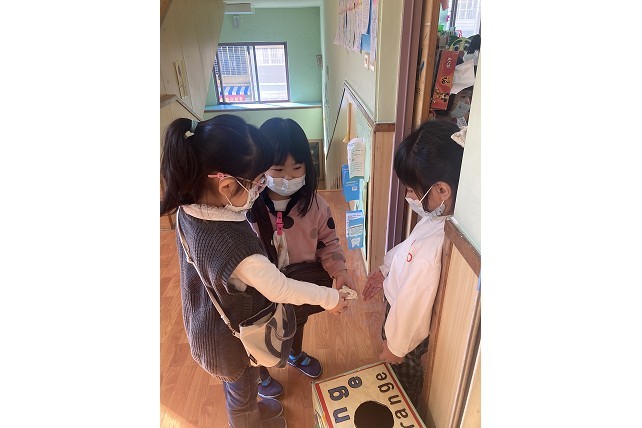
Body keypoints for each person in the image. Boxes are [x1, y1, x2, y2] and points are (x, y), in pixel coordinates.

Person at [160, 114, 350, 428]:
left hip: (214, 318)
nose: (261, 187)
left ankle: (253, 411)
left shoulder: (190, 209)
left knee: (242, 387)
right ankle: (248, 421)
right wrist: (330, 298)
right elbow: (280, 288)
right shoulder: (234, 244)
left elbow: (326, 244)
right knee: (242, 390)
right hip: (230, 338)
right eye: (258, 180)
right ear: (226, 185)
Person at [246, 117, 357, 399]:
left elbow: (329, 243)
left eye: (297, 168)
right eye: (278, 169)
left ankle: (294, 354)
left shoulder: (316, 205)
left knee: (297, 321)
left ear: (308, 165)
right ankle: (259, 372)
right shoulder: (247, 206)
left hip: (300, 284)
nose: (288, 177)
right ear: (260, 167)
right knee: (259, 332)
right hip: (259, 289)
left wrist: (339, 271)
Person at [362, 119, 464, 408]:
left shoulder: (436, 245)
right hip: (397, 315)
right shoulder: (437, 218)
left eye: (411, 189)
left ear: (441, 190)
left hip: (405, 333)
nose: (408, 196)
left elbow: (413, 302)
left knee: (401, 385)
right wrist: (385, 270)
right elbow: (409, 247)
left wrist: (396, 346)